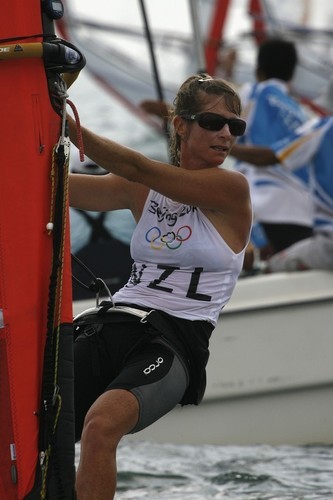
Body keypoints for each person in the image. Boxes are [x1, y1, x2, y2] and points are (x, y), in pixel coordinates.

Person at [68, 74, 252, 499]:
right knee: (29, 421)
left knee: (101, 424)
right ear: (181, 125)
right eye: (212, 122)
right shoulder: (139, 190)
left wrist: (63, 120)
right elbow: (54, 190)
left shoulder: (230, 189)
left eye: (234, 126)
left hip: (172, 341)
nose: (226, 134)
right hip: (109, 325)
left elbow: (137, 166)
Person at [234, 37, 313, 257]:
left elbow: (221, 119)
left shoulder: (255, 92)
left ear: (258, 69)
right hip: (303, 212)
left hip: (265, 206)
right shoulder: (300, 113)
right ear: (292, 74)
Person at [231, 114, 333, 271]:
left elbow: (273, 156)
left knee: (270, 268)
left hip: (328, 246)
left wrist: (226, 146)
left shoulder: (324, 127)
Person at [69, 148, 136, 298]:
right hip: (130, 291)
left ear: (72, 174)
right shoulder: (133, 205)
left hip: (81, 294)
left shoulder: (60, 212)